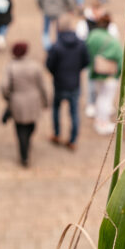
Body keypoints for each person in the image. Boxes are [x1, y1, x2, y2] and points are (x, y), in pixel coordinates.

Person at [46, 14, 90, 151]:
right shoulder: (81, 44)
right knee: (74, 112)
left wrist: (56, 73)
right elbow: (86, 61)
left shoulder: (56, 46)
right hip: (74, 83)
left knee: (56, 109)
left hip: (59, 83)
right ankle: (73, 140)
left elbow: (49, 65)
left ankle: (57, 134)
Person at [1, 41, 49, 167]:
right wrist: (46, 100)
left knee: (20, 128)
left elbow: (4, 86)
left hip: (17, 101)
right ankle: (25, 152)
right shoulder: (35, 66)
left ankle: (24, 150)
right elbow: (42, 86)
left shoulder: (11, 67)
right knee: (30, 126)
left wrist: (8, 97)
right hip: (33, 101)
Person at [86, 12, 122, 135]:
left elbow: (87, 51)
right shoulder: (112, 40)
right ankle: (103, 123)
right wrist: (122, 72)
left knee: (100, 96)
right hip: (110, 75)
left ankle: (99, 120)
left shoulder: (92, 36)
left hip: (96, 73)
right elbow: (120, 57)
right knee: (106, 99)